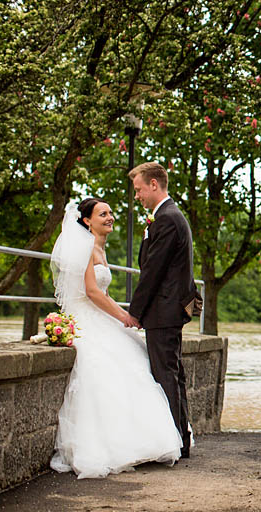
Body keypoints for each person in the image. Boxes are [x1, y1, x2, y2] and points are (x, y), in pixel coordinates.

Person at [50, 198, 182, 478]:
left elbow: (104, 295)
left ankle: (147, 439)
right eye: (103, 214)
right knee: (107, 364)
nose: (110, 217)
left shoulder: (99, 247)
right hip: (86, 319)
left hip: (101, 314)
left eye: (111, 212)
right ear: (87, 220)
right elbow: (92, 292)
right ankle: (113, 445)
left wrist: (126, 315)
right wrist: (125, 317)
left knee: (136, 355)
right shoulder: (85, 248)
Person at [128, 162, 201, 459]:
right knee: (173, 375)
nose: (137, 196)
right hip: (167, 310)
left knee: (166, 376)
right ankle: (179, 438)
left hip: (163, 311)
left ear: (154, 185)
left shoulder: (168, 219)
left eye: (139, 189)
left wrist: (135, 312)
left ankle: (174, 440)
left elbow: (152, 272)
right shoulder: (167, 217)